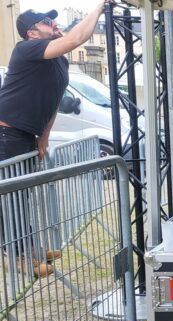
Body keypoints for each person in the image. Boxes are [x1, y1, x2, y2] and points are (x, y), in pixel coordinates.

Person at [0, 3, 108, 277]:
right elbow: (76, 39)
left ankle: (29, 250)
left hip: (24, 134)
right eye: (47, 22)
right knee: (11, 199)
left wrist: (44, 138)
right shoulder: (26, 49)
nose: (54, 24)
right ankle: (16, 257)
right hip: (6, 133)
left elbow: (53, 102)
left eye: (52, 20)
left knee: (22, 196)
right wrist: (98, 9)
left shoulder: (58, 60)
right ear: (32, 33)